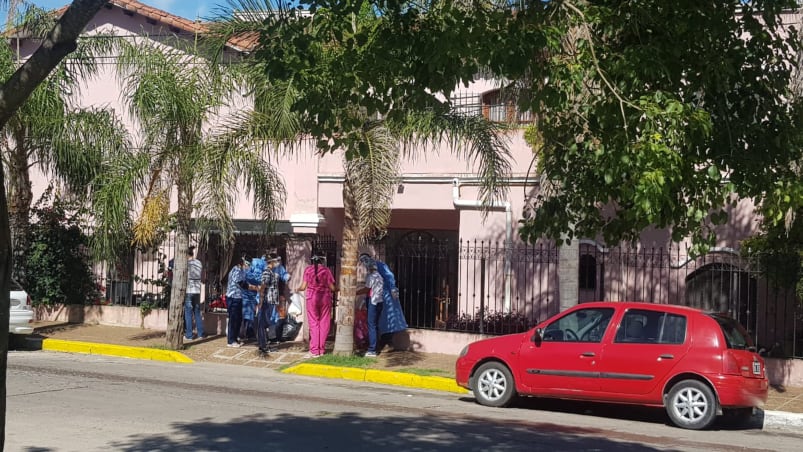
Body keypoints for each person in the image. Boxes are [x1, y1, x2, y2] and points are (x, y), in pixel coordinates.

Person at [359, 253, 408, 347]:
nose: (364, 263)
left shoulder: (379, 265)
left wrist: (393, 289)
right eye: (362, 261)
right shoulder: (370, 270)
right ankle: (377, 342)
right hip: (376, 297)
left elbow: (389, 277)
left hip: (385, 296)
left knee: (386, 318)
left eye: (365, 260)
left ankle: (384, 341)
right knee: (377, 320)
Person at [295, 253, 336, 358]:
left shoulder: (308, 270)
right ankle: (321, 350)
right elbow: (332, 288)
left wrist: (297, 289)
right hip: (325, 299)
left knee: (313, 324)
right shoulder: (326, 271)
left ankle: (314, 350)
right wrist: (339, 288)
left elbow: (303, 287)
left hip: (311, 299)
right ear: (323, 261)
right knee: (324, 324)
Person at [357, 255, 384, 357]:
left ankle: (372, 349)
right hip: (380, 302)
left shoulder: (370, 277)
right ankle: (376, 347)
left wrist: (355, 293)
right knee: (375, 325)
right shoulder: (379, 276)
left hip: (373, 302)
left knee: (371, 325)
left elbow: (367, 289)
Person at [256, 253, 282, 355]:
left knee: (267, 323)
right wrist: (261, 301)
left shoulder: (271, 272)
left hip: (271, 301)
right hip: (267, 301)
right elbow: (263, 287)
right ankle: (263, 345)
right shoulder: (267, 272)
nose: (278, 263)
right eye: (277, 261)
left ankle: (265, 344)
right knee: (263, 323)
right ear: (271, 262)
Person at [224, 255, 253, 348]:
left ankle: (235, 338)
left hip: (239, 297)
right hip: (233, 298)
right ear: (242, 263)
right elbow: (241, 284)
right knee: (233, 319)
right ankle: (231, 340)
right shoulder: (236, 270)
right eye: (247, 265)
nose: (248, 267)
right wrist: (254, 288)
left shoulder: (241, 271)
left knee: (238, 319)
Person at [184, 246, 205, 341]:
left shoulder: (186, 264)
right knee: (197, 312)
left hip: (189, 290)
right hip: (197, 290)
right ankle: (200, 333)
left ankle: (189, 335)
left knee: (188, 313)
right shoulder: (199, 262)